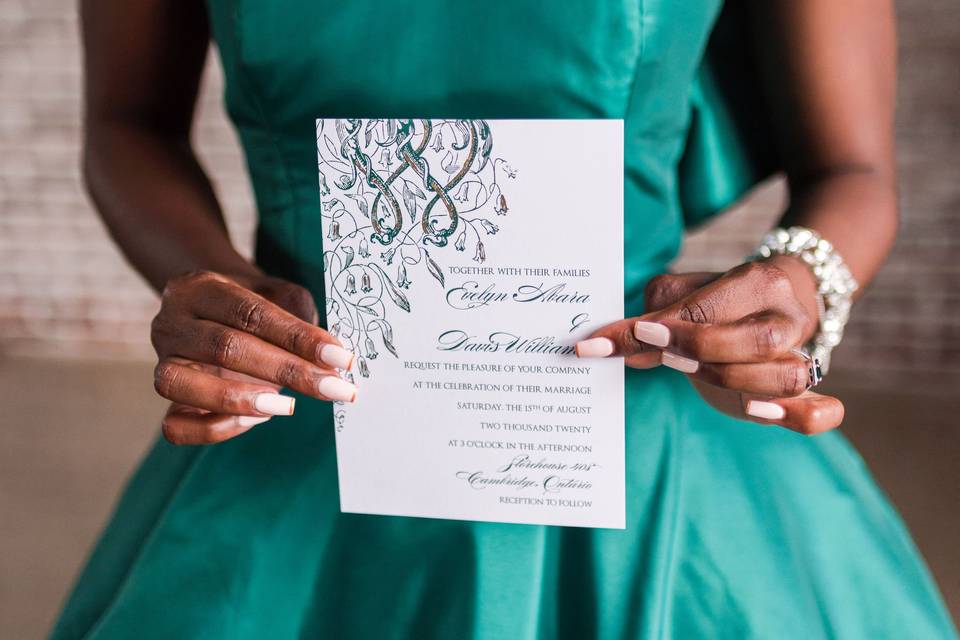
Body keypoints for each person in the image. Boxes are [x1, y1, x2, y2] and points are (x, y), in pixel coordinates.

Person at [52, 0, 957, 638]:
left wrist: (801, 282)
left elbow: (854, 170)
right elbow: (129, 121)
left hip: (645, 430)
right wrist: (206, 283)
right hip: (303, 402)